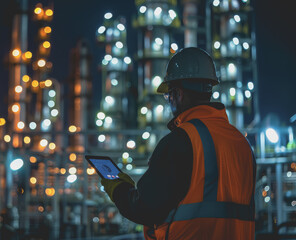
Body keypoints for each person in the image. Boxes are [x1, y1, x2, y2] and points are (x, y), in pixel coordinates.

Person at [101, 47, 255, 240]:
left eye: (169, 95)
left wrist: (118, 187)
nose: (169, 101)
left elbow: (144, 208)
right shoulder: (242, 143)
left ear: (178, 94)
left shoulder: (181, 141)